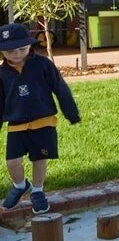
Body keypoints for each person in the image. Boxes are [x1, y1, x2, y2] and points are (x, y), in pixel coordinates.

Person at [0, 23, 80, 214]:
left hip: (43, 121)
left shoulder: (43, 64)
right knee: (12, 161)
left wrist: (71, 112)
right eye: (10, 51)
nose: (17, 54)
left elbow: (60, 88)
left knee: (39, 159)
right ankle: (20, 185)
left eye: (22, 48)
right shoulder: (2, 74)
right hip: (16, 124)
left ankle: (37, 191)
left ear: (30, 46)